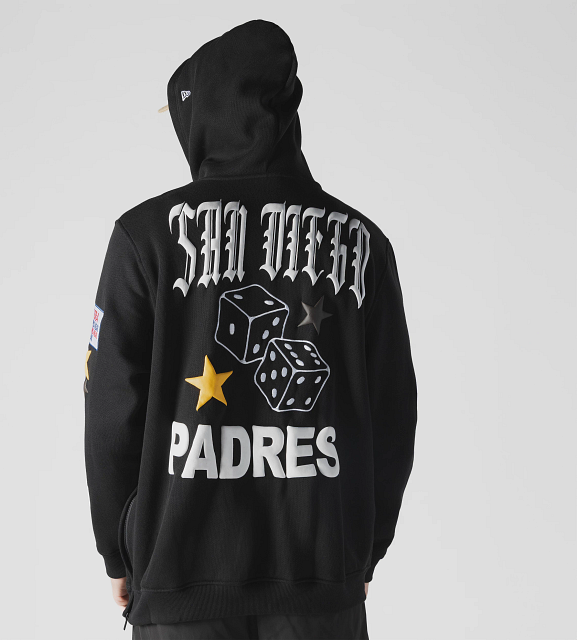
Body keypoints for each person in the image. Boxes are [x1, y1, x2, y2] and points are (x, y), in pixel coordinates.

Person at [84, 18, 417, 640]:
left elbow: (109, 412)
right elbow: (394, 413)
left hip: (179, 578)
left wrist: (118, 549)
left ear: (200, 115)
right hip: (321, 581)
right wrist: (364, 549)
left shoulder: (143, 237)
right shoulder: (364, 244)